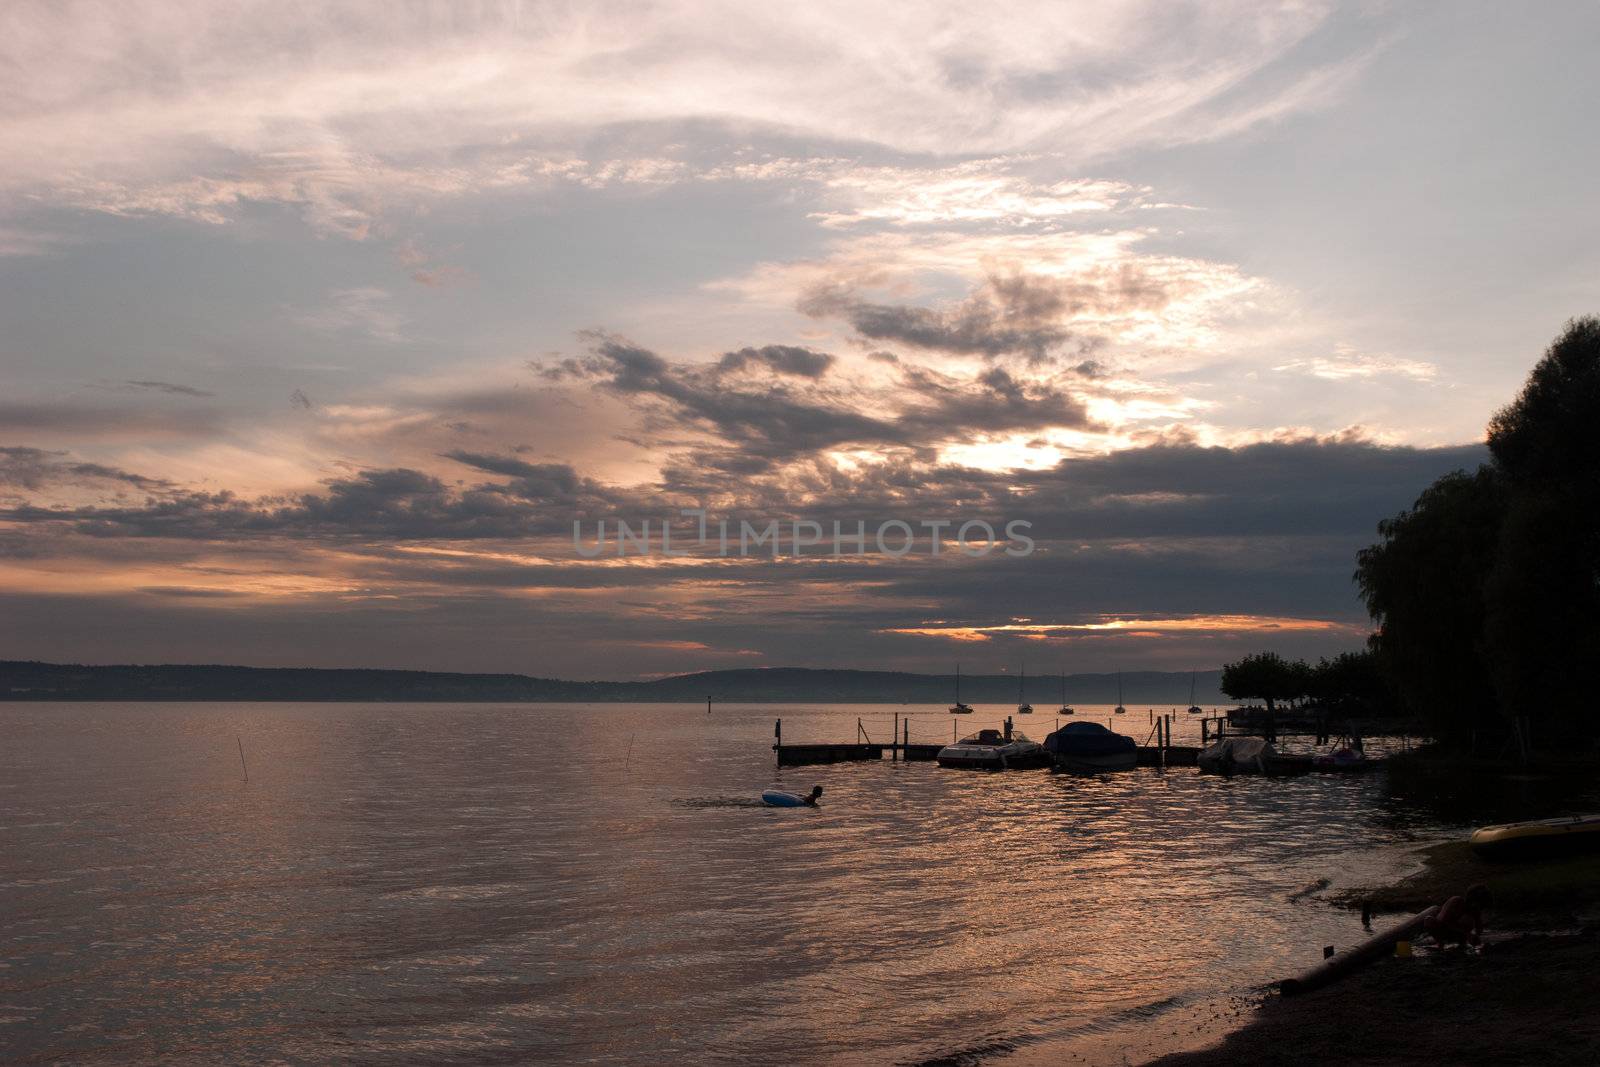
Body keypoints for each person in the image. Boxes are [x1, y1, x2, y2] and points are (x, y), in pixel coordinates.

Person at [1425, 884, 1491, 947]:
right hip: (1442, 929)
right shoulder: (1456, 901)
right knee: (1429, 920)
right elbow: (1443, 920)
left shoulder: (1475, 910)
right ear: (1473, 901)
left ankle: (1462, 943)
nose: (1480, 908)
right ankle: (1440, 943)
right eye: (1479, 905)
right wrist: (1468, 934)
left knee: (1468, 922)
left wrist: (1476, 936)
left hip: (1458, 934)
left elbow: (1479, 928)